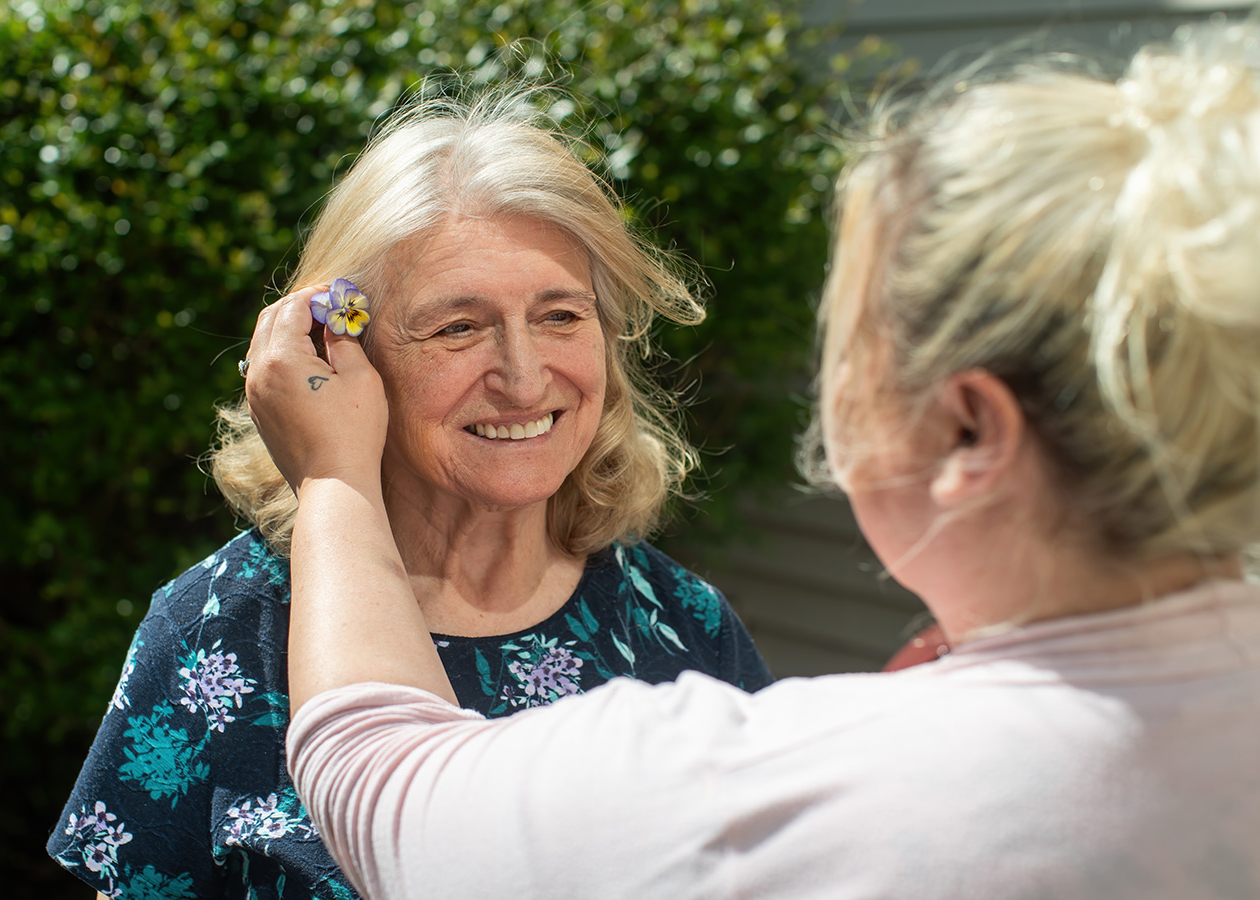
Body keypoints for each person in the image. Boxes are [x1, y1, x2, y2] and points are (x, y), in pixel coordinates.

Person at [266, 22, 1260, 900]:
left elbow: (378, 778)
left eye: (849, 334)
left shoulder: (745, 760)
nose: (523, 374)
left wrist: (336, 475)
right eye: (455, 327)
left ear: (966, 431)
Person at [47, 92, 773, 900]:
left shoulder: (685, 625)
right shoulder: (220, 631)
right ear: (345, 357)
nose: (525, 376)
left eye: (561, 315)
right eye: (457, 327)